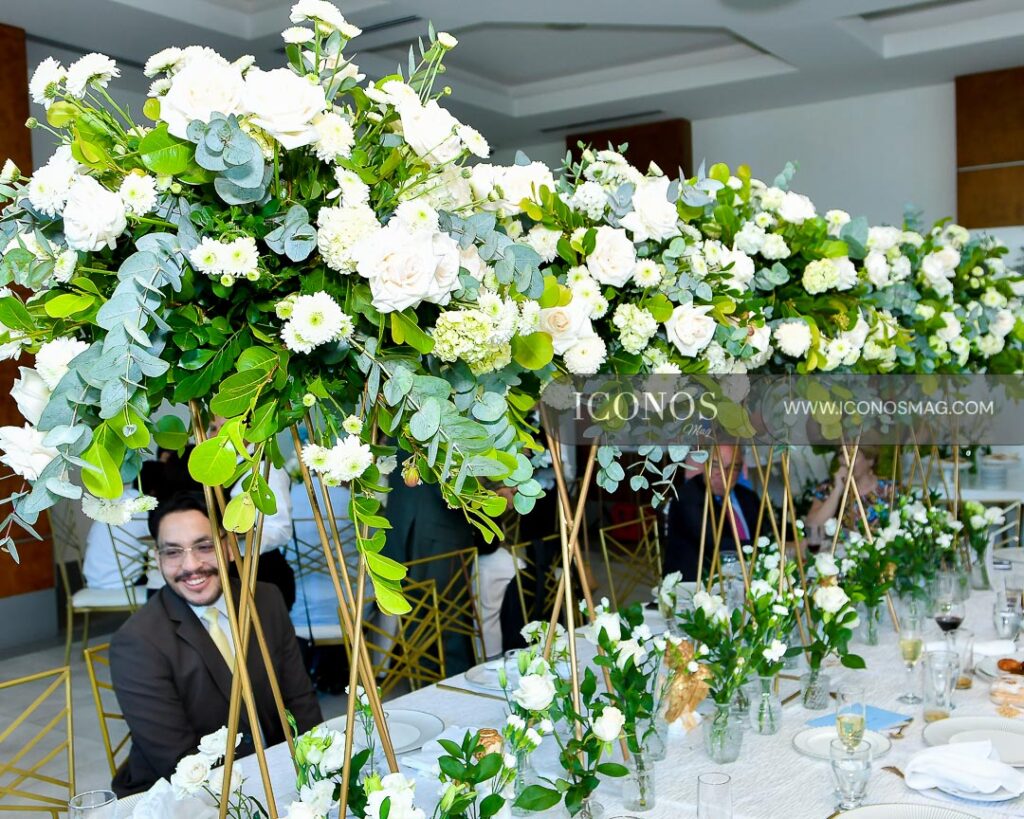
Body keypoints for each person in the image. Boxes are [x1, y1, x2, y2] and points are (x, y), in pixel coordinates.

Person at [109, 491, 322, 797]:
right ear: (158, 560)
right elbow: (176, 760)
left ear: (229, 547)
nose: (191, 565)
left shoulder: (264, 600)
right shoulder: (137, 642)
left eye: (204, 546)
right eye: (173, 552)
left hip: (276, 771)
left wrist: (317, 770)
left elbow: (300, 702)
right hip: (182, 794)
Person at [664, 445, 761, 581]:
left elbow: (768, 533)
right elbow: (716, 544)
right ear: (704, 464)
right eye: (715, 465)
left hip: (752, 578)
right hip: (699, 584)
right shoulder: (689, 496)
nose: (723, 473)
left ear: (740, 469)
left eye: (733, 467)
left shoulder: (748, 497)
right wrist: (764, 548)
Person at [805, 445, 892, 531]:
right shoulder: (827, 489)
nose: (845, 461)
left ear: (870, 460)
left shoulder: (889, 489)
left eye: (852, 455)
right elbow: (812, 527)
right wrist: (838, 490)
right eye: (842, 454)